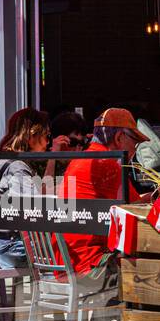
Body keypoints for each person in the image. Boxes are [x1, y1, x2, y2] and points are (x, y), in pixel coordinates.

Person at [61, 108, 145, 280]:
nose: (135, 150)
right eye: (135, 143)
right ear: (119, 138)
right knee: (150, 268)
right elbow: (137, 209)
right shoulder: (107, 164)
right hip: (91, 265)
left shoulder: (81, 159)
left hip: (67, 261)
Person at [0, 108, 71, 269]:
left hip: (6, 245)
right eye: (46, 135)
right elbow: (38, 208)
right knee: (73, 249)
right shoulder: (17, 167)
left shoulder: (12, 161)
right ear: (31, 135)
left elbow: (41, 193)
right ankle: (67, 289)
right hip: (14, 248)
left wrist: (53, 157)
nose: (48, 142)